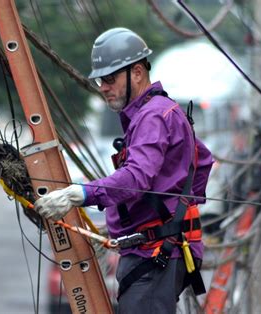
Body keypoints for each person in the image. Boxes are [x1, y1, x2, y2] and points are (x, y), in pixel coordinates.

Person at [35, 27, 214, 313]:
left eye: (110, 78)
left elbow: (136, 178)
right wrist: (172, 207)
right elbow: (202, 160)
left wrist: (78, 194)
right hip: (156, 250)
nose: (103, 87)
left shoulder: (154, 115)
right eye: (100, 81)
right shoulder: (158, 112)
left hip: (156, 253)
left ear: (138, 73)